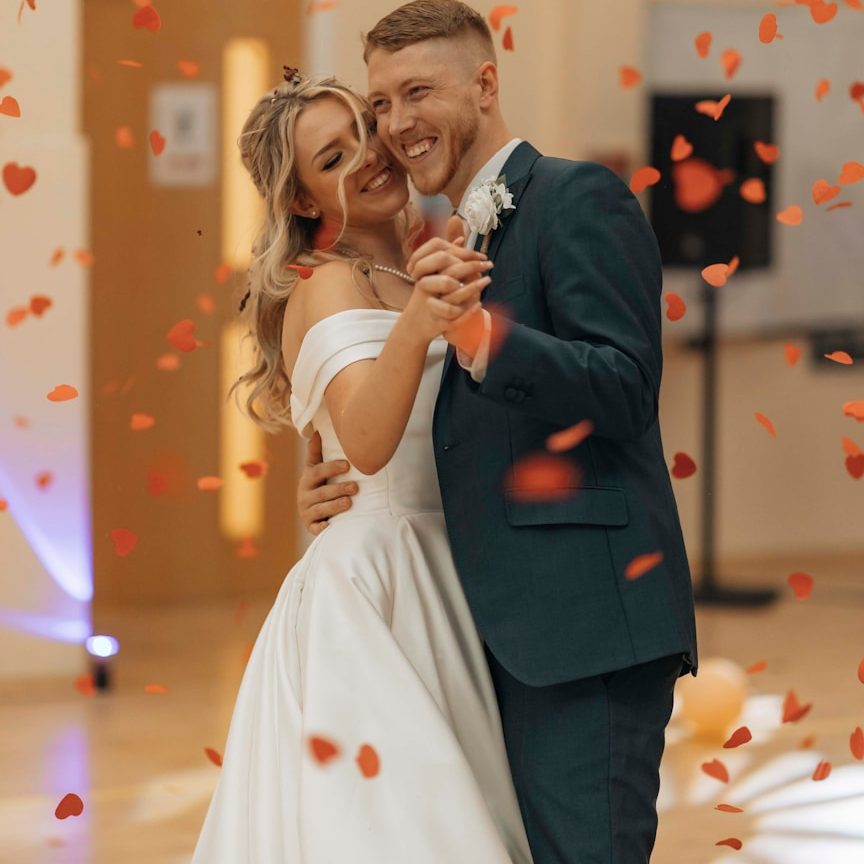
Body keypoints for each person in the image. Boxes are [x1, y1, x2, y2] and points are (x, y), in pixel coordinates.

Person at [296, 2, 699, 862]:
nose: (396, 124)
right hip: (485, 635)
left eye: (418, 92)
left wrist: (481, 338)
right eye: (381, 104)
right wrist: (346, 487)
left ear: (485, 83)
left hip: (583, 629)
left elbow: (625, 388)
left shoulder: (576, 196)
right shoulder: (442, 242)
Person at [190, 69, 533, 863]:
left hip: (459, 560)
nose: (369, 158)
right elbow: (369, 443)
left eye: (364, 132)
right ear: (303, 200)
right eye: (332, 158)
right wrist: (420, 321)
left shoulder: (424, 262)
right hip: (382, 582)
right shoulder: (325, 284)